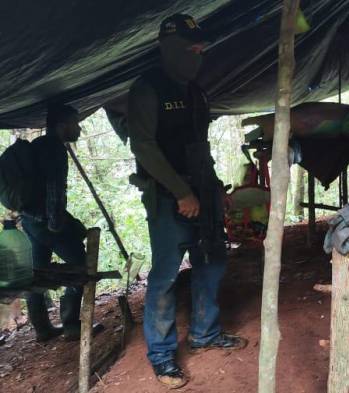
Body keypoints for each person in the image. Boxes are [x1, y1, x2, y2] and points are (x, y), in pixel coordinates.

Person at [127, 13, 246, 389]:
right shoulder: (147, 90)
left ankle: (205, 333)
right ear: (168, 48)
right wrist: (181, 192)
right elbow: (144, 148)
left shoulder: (196, 93)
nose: (198, 55)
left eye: (200, 49)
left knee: (212, 260)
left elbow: (201, 149)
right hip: (167, 198)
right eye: (190, 49)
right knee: (164, 276)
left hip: (202, 191)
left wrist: (214, 191)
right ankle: (162, 358)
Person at [20, 104, 88, 342]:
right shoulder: (54, 150)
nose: (79, 128)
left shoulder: (37, 145)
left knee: (36, 272)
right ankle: (71, 325)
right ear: (62, 126)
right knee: (81, 265)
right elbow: (54, 191)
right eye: (75, 123)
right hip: (46, 221)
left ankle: (42, 328)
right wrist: (58, 225)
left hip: (28, 219)